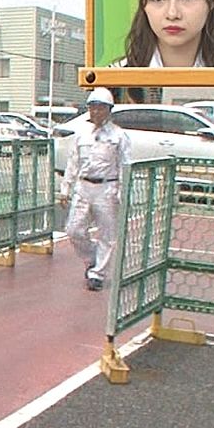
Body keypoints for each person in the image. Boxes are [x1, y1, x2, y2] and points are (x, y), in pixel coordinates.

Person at [59, 88, 131, 292]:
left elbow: (125, 164)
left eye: (100, 108)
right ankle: (92, 258)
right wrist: (65, 189)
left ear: (109, 110)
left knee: (107, 234)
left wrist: (122, 191)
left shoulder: (119, 136)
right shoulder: (82, 135)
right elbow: (73, 163)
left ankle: (97, 274)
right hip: (83, 187)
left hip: (107, 187)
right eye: (93, 108)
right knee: (74, 230)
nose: (96, 112)